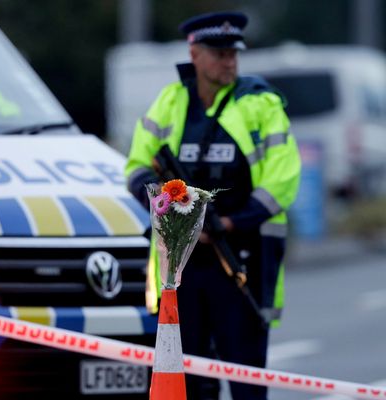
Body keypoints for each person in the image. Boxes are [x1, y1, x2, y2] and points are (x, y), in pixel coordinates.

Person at [125, 10, 301, 400]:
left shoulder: (260, 103)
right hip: (182, 266)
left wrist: (231, 224)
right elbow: (137, 165)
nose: (229, 60)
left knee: (245, 377)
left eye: (233, 53)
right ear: (195, 54)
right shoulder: (171, 102)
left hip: (241, 257)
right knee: (190, 376)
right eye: (219, 52)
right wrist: (166, 209)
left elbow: (283, 178)